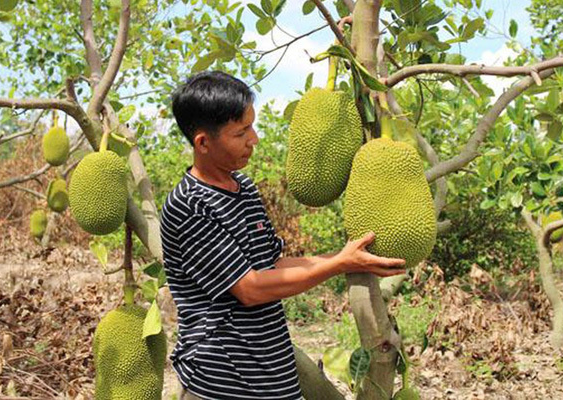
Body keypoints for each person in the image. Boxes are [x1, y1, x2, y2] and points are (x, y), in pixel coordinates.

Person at [160, 70, 406, 400]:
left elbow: (271, 264)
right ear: (203, 142)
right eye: (241, 132)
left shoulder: (243, 187)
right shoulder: (189, 205)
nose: (255, 139)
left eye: (252, 126)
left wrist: (345, 258)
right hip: (221, 384)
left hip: (272, 378)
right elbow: (250, 288)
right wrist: (337, 266)